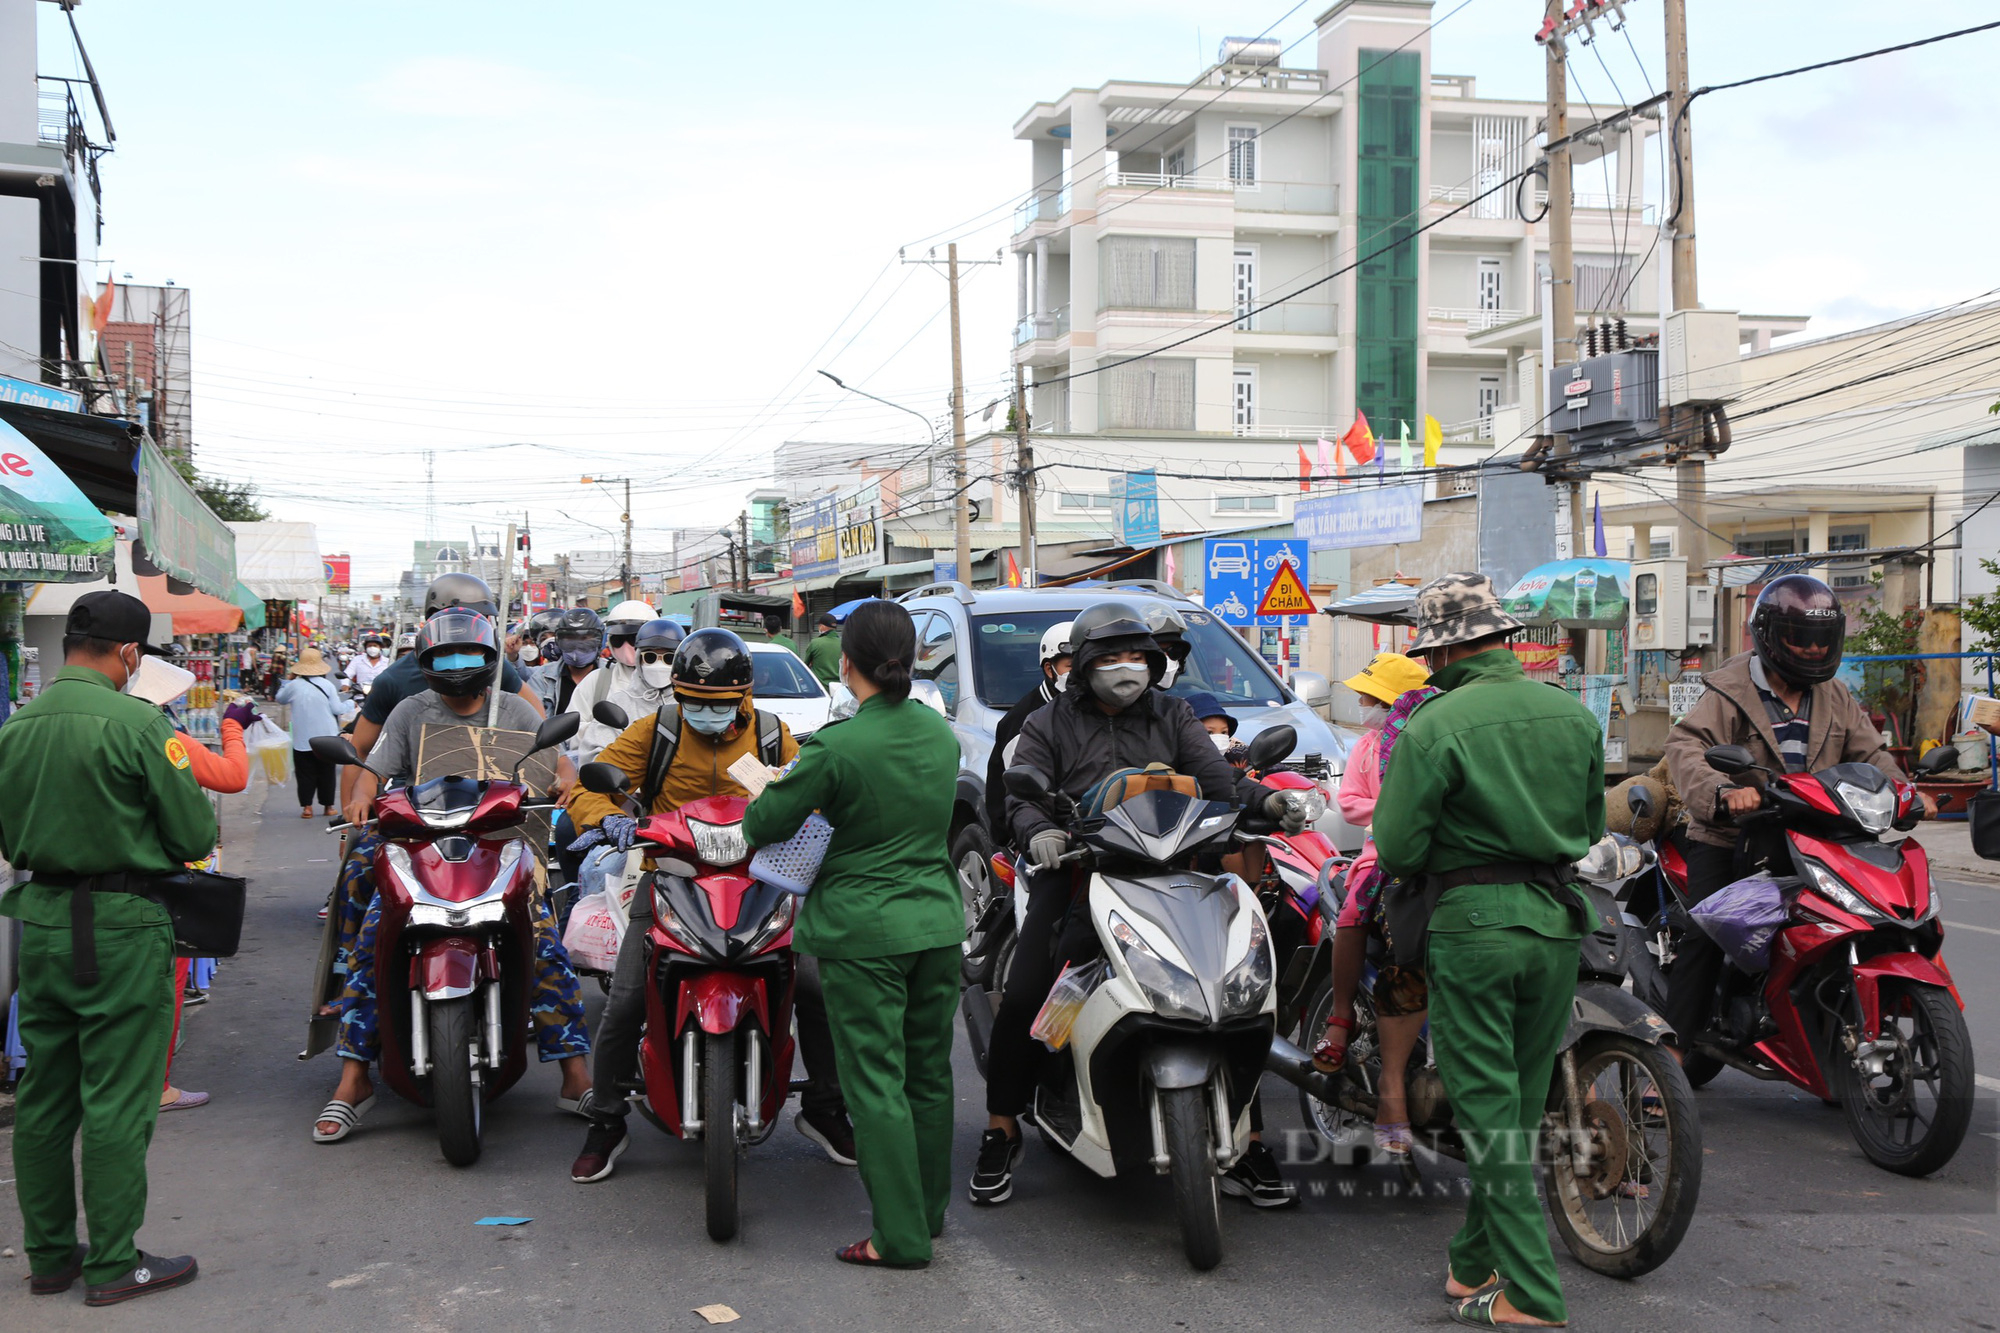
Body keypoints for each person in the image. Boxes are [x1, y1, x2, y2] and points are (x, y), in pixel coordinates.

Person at [976, 601, 1305, 1208]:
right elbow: (1024, 794)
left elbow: (1219, 782)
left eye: (1136, 657)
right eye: (1110, 658)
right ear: (1083, 666)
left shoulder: (1174, 715)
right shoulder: (1049, 725)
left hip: (1178, 869)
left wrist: (1264, 804)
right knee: (1028, 991)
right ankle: (1001, 1127)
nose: (1125, 669)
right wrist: (1037, 830)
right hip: (1078, 871)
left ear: (1155, 663)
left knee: (1231, 991)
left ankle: (1249, 1135)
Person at [1370, 573, 1603, 1330]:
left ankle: (1531, 1294)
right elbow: (1592, 823)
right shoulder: (1572, 714)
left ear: (1439, 653)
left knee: (1489, 1116)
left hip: (1472, 927)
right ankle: (1473, 1262)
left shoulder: (1436, 724)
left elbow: (1398, 846)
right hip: (1557, 923)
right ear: (1502, 639)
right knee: (1518, 1106)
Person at [563, 628, 855, 1179]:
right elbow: (588, 786)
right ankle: (605, 1118)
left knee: (815, 988)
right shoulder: (658, 731)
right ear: (676, 693)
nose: (706, 714)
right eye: (693, 702)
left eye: (719, 705)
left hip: (762, 883)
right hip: (671, 878)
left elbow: (815, 788)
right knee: (625, 999)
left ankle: (824, 1108)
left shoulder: (774, 736)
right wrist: (608, 818)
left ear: (743, 695)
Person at [0, 590, 214, 1305]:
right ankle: (116, 1262)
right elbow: (191, 839)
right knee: (118, 1102)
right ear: (129, 654)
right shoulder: (140, 724)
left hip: (44, 923)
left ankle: (51, 1257)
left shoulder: (17, 726)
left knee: (45, 1099)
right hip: (123, 926)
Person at [743, 599, 964, 1268]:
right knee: (928, 1074)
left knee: (875, 1084)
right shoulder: (938, 733)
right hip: (936, 921)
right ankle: (926, 1213)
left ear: (846, 665)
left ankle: (898, 1237)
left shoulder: (837, 744)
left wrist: (770, 789)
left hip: (865, 930)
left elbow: (765, 824)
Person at [315, 610, 588, 1142]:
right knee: (374, 936)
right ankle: (353, 1079)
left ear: (491, 663)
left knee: (544, 942)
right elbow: (373, 767)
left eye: (470, 657)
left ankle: (575, 1077)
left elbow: (559, 765)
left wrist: (565, 783)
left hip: (499, 845)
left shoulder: (515, 708)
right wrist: (363, 795)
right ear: (426, 664)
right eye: (445, 658)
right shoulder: (409, 710)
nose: (458, 667)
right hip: (420, 845)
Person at [1660, 574, 1925, 1061]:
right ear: (1768, 635)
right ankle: (1671, 1058)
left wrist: (1907, 793)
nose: (1809, 650)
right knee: (1707, 933)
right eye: (1797, 638)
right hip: (1733, 837)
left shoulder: (1837, 696)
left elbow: (1873, 755)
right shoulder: (1729, 689)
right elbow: (1686, 745)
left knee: (1862, 919)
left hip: (1820, 836)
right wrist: (1724, 791)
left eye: (1819, 640)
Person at [1306, 652, 1435, 1158]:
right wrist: (1396, 813)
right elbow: (1352, 802)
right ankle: (1341, 1016)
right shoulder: (1368, 748)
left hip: (1445, 861)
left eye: (1371, 697)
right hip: (1385, 856)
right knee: (1356, 914)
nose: (1362, 704)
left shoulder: (1432, 741)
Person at [126, 655, 255, 1114]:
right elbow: (232, 777)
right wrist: (233, 728)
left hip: (78, 887)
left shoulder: (78, 732)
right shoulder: (163, 737)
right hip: (155, 882)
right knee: (165, 981)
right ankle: (156, 1086)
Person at [982, 620, 1071, 841]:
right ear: (1049, 669)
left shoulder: (1086, 709)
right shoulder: (1025, 721)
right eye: (1071, 666)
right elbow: (1021, 795)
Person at [564, 599, 657, 755]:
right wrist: (604, 732)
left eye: (633, 639)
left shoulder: (670, 681)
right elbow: (570, 731)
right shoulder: (597, 681)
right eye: (619, 640)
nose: (626, 646)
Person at [278, 646, 354, 820]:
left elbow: (280, 698)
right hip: (326, 737)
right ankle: (328, 807)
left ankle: (307, 808)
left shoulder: (294, 685)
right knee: (326, 772)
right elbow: (337, 709)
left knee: (305, 773)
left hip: (302, 738)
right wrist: (350, 705)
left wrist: (289, 680)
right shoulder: (327, 685)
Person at [803, 610, 842, 685]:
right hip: (839, 688)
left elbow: (805, 666)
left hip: (821, 688)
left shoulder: (815, 643)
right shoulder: (843, 643)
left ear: (822, 626)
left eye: (819, 625)